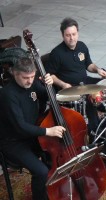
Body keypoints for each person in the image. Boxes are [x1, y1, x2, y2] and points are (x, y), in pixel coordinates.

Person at [0, 57, 66, 200]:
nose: (29, 81)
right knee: (41, 171)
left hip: (32, 135)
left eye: (32, 76)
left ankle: (53, 191)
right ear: (15, 74)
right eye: (25, 78)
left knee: (56, 154)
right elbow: (20, 127)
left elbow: (51, 98)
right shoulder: (7, 95)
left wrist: (50, 85)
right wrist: (48, 131)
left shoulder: (33, 83)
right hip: (13, 142)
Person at [45, 17, 106, 134]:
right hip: (70, 88)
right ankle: (93, 130)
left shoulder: (82, 46)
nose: (71, 38)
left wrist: (97, 69)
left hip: (84, 81)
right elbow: (50, 75)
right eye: (68, 35)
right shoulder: (56, 53)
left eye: (73, 34)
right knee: (89, 100)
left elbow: (88, 64)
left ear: (77, 33)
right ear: (63, 35)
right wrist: (63, 84)